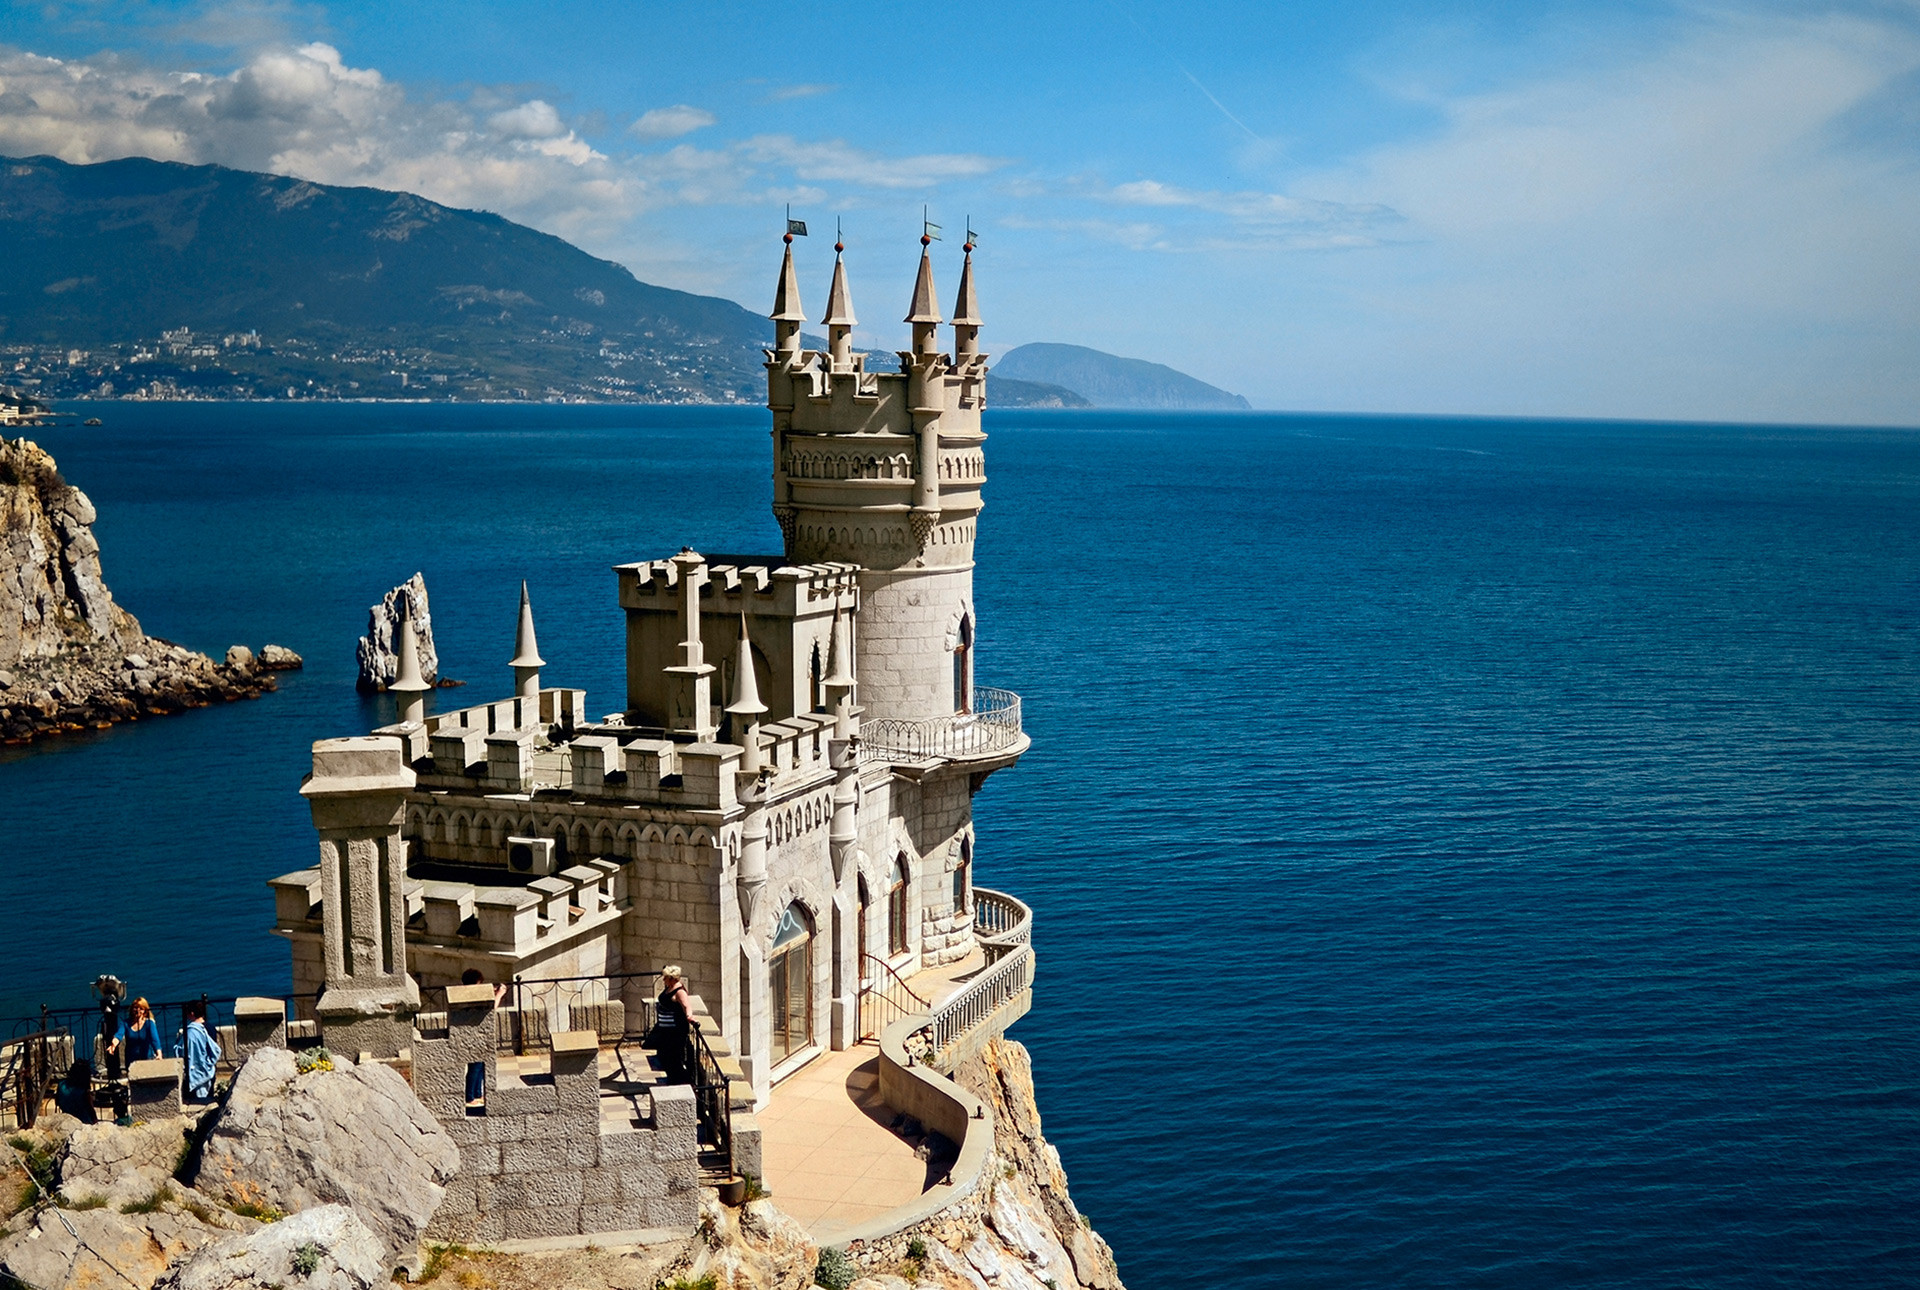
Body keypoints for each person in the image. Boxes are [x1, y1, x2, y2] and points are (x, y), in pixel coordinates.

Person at [458, 970, 508, 1108]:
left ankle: (477, 1094)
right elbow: (491, 1009)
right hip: (473, 1035)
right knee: (475, 1067)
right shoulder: (471, 994)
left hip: (477, 1034)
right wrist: (499, 994)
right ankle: (469, 1096)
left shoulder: (467, 992)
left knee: (480, 1066)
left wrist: (490, 991)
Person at [655, 965, 696, 1085]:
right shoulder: (669, 987)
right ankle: (672, 1079)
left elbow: (686, 1006)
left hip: (675, 1031)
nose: (664, 980)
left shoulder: (679, 992)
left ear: (673, 979)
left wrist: (689, 1016)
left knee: (674, 1057)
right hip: (666, 1030)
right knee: (665, 1055)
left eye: (666, 978)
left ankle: (677, 1081)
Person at [181, 1001, 220, 1103]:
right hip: (210, 1070)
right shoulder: (211, 1028)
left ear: (192, 1013)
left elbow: (187, 1051)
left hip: (196, 1071)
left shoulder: (191, 1032)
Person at [120, 998, 163, 1064]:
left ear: (145, 1011)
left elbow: (155, 1040)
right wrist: (113, 1044)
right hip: (131, 1060)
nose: (138, 1010)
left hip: (147, 1059)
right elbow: (119, 1034)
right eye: (136, 1008)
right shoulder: (126, 1023)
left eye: (141, 1009)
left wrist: (159, 1054)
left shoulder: (149, 1023)